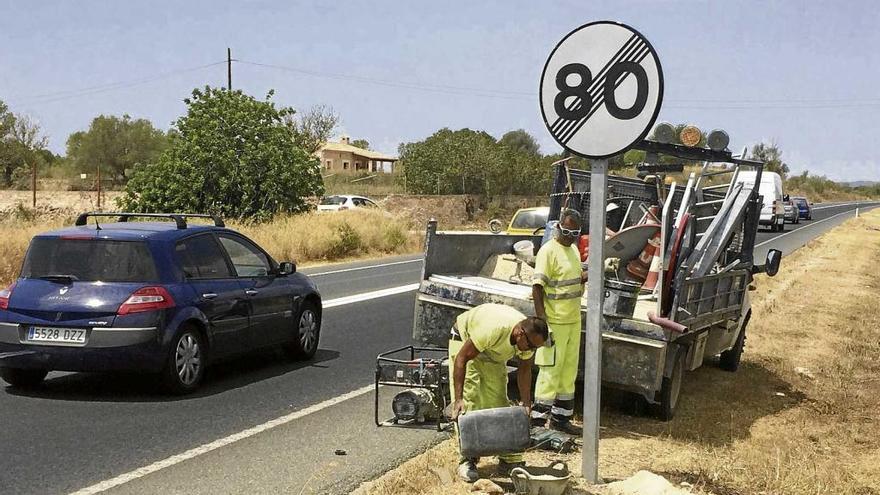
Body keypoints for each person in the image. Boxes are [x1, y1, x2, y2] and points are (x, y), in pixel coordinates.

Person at [449, 303, 549, 483]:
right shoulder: (494, 329)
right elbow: (462, 359)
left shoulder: (527, 341)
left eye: (536, 348)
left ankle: (509, 460)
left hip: (492, 353)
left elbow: (524, 370)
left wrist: (526, 403)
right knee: (469, 405)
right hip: (465, 341)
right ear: (520, 333)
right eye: (532, 346)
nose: (532, 351)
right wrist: (458, 398)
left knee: (499, 402)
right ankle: (467, 460)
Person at [530, 208, 587, 435]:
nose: (570, 235)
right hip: (554, 323)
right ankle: (537, 423)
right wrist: (542, 323)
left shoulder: (573, 250)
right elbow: (537, 288)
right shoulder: (548, 251)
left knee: (568, 372)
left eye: (575, 232)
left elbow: (571, 281)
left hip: (573, 320)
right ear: (557, 227)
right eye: (566, 231)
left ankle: (561, 420)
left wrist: (592, 272)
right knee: (550, 372)